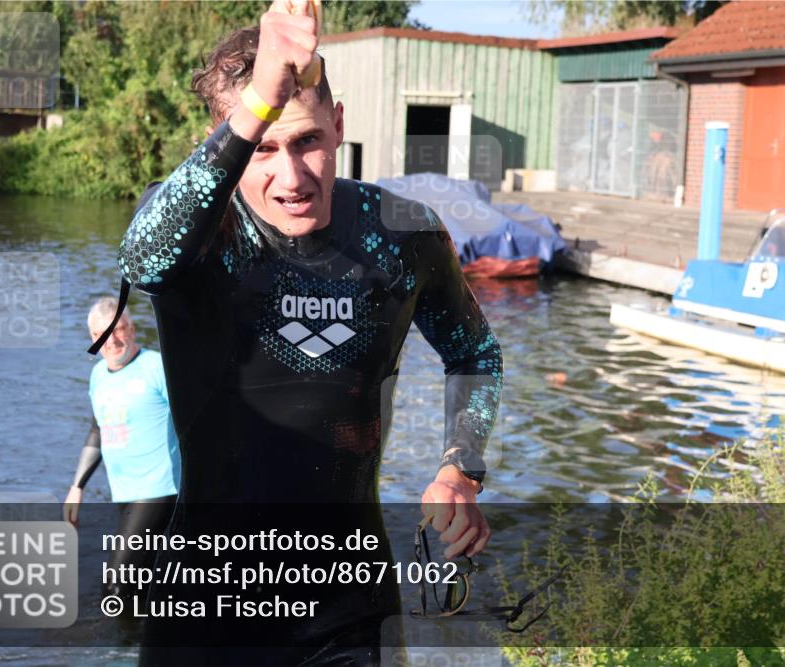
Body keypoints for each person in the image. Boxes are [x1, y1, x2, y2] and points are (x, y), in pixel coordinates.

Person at [91, 0, 502, 662]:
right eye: (263, 146)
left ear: (338, 124)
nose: (292, 177)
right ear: (227, 139)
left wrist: (461, 468)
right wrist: (257, 102)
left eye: (307, 140)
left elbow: (474, 352)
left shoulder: (402, 234)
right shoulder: (199, 232)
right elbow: (141, 260)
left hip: (349, 607)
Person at [66, 297, 181, 605]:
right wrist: (77, 487)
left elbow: (194, 421)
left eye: (118, 329)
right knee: (146, 582)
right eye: (102, 334)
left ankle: (121, 636)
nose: (112, 340)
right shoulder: (98, 376)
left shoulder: (157, 367)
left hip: (160, 489)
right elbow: (98, 430)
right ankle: (151, 632)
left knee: (118, 586)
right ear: (93, 338)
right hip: (124, 491)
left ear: (132, 329)